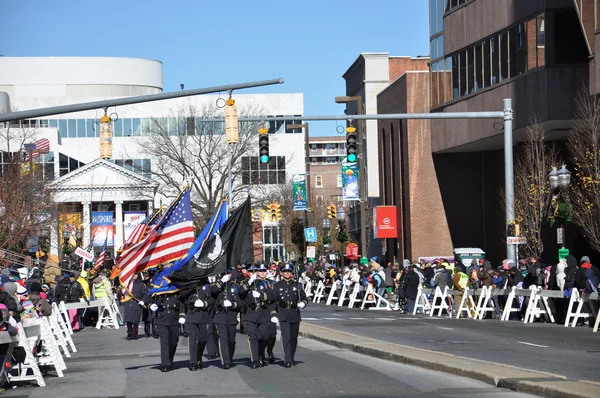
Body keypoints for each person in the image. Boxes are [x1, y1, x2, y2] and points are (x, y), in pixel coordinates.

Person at [271, 263, 307, 368]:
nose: (287, 273)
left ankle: (291, 356)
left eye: (289, 271)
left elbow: (304, 298)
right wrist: (274, 314)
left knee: (293, 337)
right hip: (283, 312)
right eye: (285, 271)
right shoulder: (277, 285)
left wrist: (303, 303)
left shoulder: (297, 285)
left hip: (294, 312)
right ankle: (287, 359)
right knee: (285, 336)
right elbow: (273, 301)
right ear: (282, 273)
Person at [239, 264, 275, 368]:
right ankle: (255, 360)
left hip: (263, 312)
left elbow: (273, 295)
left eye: (264, 270)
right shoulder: (248, 282)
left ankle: (260, 354)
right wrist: (250, 281)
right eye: (260, 270)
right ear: (257, 272)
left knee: (264, 337)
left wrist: (261, 296)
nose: (262, 272)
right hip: (251, 312)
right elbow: (241, 292)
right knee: (253, 337)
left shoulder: (268, 283)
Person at [211, 269, 241, 369]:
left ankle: (230, 358)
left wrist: (232, 304)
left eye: (228, 273)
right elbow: (213, 291)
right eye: (225, 274)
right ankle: (226, 361)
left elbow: (241, 303)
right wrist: (221, 281)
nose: (227, 275)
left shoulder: (235, 286)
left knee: (231, 340)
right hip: (220, 315)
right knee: (223, 339)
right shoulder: (218, 285)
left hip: (231, 315)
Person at [183, 279, 214, 371]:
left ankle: (198, 356)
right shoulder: (188, 284)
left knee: (203, 339)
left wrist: (205, 303)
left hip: (203, 316)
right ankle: (193, 362)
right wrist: (190, 287)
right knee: (192, 340)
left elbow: (212, 299)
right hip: (192, 315)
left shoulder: (207, 285)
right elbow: (182, 295)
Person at [150, 290, 185, 372]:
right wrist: (151, 305)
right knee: (164, 342)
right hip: (162, 318)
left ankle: (169, 359)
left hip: (174, 318)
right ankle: (165, 364)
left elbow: (182, 303)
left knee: (174, 341)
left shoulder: (176, 290)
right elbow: (150, 299)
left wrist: (182, 315)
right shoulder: (158, 289)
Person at [122, 273, 148, 340]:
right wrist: (122, 292)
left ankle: (135, 333)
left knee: (136, 320)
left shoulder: (141, 284)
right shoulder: (127, 283)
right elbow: (121, 295)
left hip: (137, 303)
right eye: (134, 274)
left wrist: (143, 300)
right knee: (129, 320)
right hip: (128, 303)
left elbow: (145, 294)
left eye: (136, 274)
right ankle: (129, 333)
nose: (135, 276)